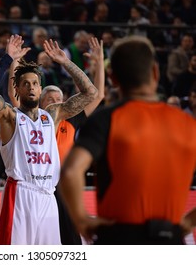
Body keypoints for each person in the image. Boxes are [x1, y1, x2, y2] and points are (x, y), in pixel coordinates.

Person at [59, 36, 196, 245]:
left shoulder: (105, 119)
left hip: (119, 237)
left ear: (113, 79)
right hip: (170, 237)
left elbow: (70, 171)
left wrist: (82, 220)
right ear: (155, 73)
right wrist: (188, 222)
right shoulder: (188, 124)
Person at [0, 34, 97, 245]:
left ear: (40, 88)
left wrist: (65, 62)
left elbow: (91, 93)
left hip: (48, 196)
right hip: (20, 194)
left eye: (35, 83)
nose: (31, 87)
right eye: (25, 84)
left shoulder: (52, 115)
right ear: (17, 89)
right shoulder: (10, 117)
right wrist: (7, 59)